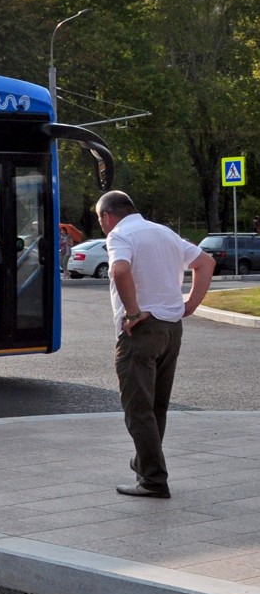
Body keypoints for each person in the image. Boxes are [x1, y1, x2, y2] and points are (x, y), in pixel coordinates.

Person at [96, 190, 215, 498]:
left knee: (138, 408)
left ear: (107, 216)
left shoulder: (120, 235)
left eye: (100, 220)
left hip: (141, 332)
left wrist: (132, 311)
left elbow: (119, 270)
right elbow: (206, 263)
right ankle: (144, 462)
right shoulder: (164, 233)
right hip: (171, 330)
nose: (102, 226)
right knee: (156, 406)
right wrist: (190, 305)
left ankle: (152, 480)